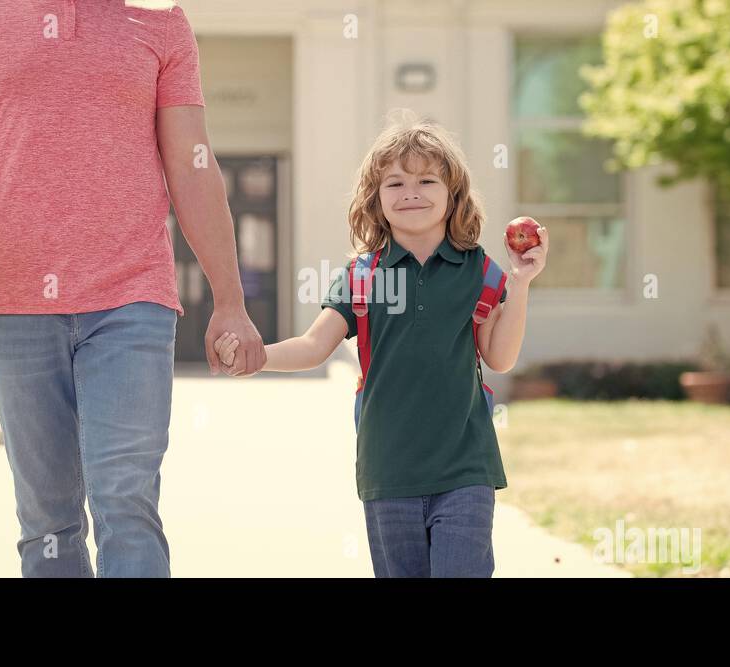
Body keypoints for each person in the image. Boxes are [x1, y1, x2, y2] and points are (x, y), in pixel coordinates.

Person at [0, 0, 264, 577]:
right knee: (48, 524)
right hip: (15, 298)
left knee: (125, 502)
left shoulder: (160, 19)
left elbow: (191, 163)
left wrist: (230, 301)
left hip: (132, 295)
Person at [214, 111, 548, 577]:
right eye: (394, 184)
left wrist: (522, 282)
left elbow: (500, 357)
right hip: (388, 474)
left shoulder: (480, 270)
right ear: (376, 200)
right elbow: (313, 345)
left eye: (427, 180)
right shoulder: (361, 275)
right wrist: (257, 356)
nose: (411, 192)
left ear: (453, 196)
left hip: (466, 468)